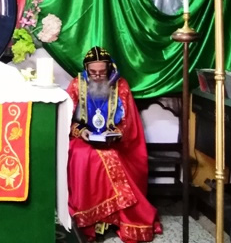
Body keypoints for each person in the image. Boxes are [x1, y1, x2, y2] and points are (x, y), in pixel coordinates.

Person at [66, 47, 162, 242]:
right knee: (83, 156)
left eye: (102, 72)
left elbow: (129, 121)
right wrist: (80, 131)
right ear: (86, 69)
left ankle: (112, 218)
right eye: (93, 72)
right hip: (83, 138)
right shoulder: (77, 84)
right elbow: (65, 117)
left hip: (115, 142)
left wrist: (116, 134)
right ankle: (90, 220)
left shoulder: (120, 85)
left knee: (110, 156)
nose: (98, 76)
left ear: (109, 68)